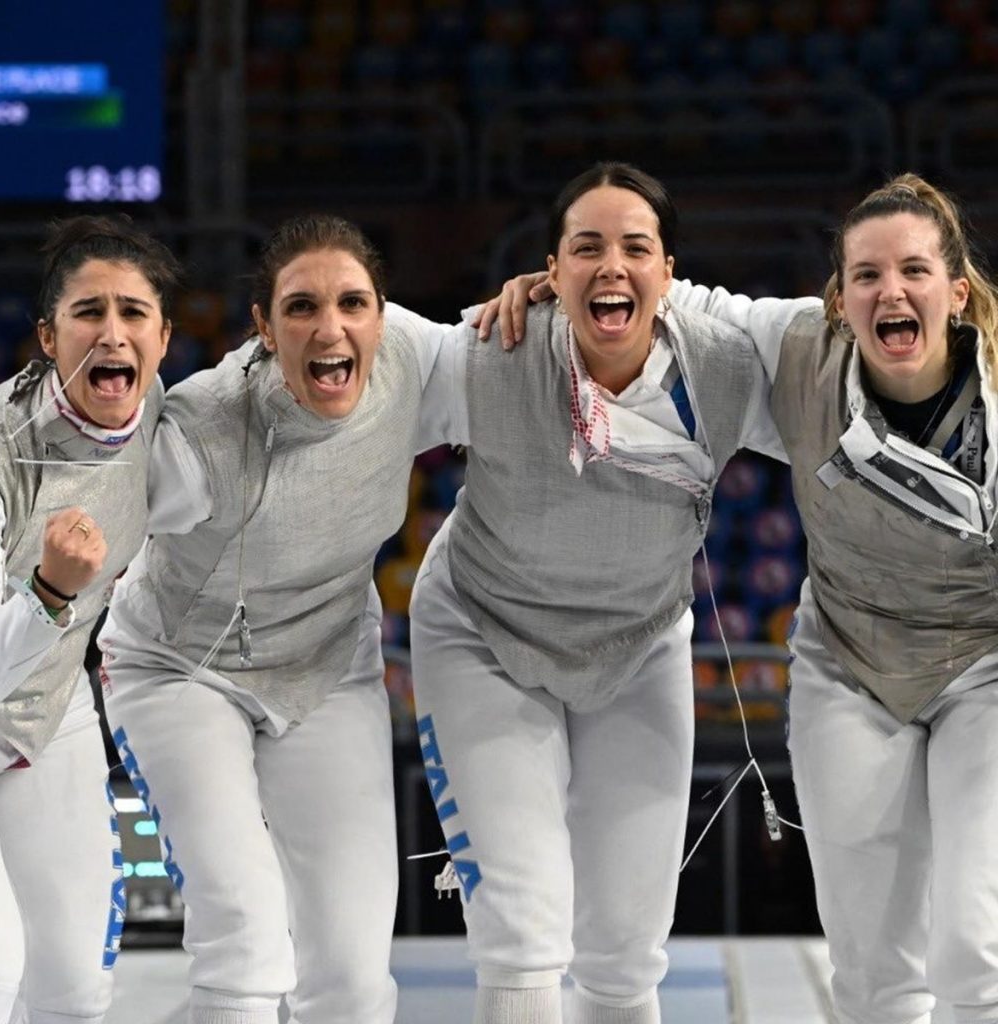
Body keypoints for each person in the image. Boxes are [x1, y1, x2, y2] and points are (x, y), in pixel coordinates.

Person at [494, 173, 998, 1024]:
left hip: (985, 665)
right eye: (867, 275)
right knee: (873, 970)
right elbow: (676, 293)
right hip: (849, 663)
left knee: (973, 939)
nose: (890, 291)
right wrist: (568, 282)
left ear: (955, 292)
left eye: (913, 271)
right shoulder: (800, 350)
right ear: (840, 298)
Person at [407, 161, 781, 1024]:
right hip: (483, 635)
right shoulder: (487, 351)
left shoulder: (726, 368)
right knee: (522, 924)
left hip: (639, 640)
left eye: (634, 248)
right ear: (552, 270)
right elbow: (349, 381)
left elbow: (852, 374)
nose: (611, 266)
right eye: (587, 249)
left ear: (669, 274)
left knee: (625, 943)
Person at [98, 213, 469, 1024]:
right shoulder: (198, 433)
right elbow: (67, 514)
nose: (330, 327)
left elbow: (545, 364)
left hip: (328, 665)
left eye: (352, 303)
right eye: (300, 308)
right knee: (246, 935)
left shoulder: (416, 360)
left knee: (353, 974)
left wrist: (550, 299)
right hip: (179, 670)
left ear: (380, 311)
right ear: (264, 328)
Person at [0, 215, 176, 1024]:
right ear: (48, 338)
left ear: (164, 337)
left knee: (75, 990)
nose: (112, 333)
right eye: (88, 312)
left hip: (48, 719)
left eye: (133, 313)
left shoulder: (173, 418)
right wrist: (51, 596)